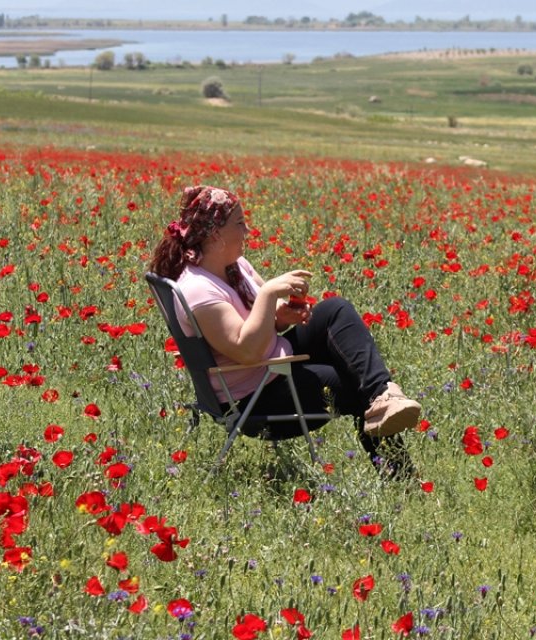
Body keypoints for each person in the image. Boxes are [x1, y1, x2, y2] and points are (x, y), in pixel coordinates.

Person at [149, 185, 420, 475]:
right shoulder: (199, 291)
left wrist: (279, 316)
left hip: (271, 368)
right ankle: (400, 476)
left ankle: (384, 393)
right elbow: (247, 351)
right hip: (255, 397)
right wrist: (267, 295)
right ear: (215, 234)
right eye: (239, 223)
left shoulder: (232, 266)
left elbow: (259, 328)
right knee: (352, 382)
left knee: (334, 310)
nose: (248, 230)